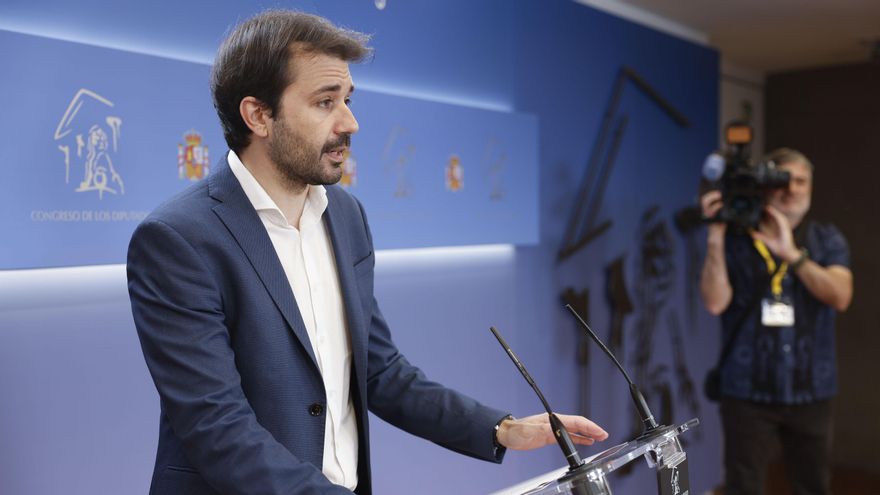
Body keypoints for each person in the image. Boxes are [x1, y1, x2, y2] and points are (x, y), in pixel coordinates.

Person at [127, 10, 608, 495]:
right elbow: (218, 428)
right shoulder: (178, 239)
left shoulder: (346, 215)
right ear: (258, 116)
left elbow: (378, 370)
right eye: (324, 102)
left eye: (348, 100)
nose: (350, 122)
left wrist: (501, 428)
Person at [699, 148, 853, 495]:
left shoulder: (825, 239)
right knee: (744, 486)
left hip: (811, 387)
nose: (792, 189)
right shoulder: (735, 238)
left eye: (801, 181)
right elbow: (714, 302)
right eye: (783, 179)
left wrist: (791, 255)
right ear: (764, 185)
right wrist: (715, 236)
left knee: (812, 485)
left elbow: (841, 295)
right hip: (746, 389)